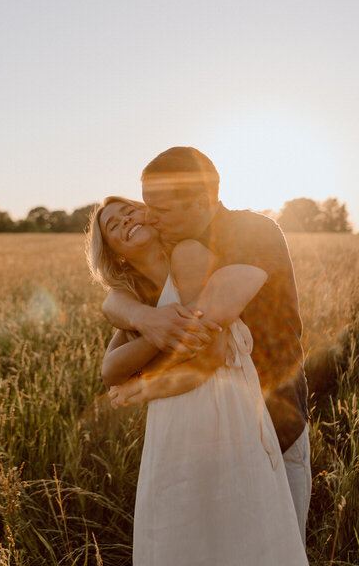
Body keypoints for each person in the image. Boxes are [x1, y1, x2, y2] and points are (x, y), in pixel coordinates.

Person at [101, 147, 311, 543]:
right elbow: (116, 300)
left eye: (159, 208)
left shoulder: (252, 231)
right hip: (202, 438)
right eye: (146, 205)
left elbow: (208, 322)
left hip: (274, 424)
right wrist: (142, 316)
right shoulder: (174, 244)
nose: (149, 216)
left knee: (275, 543)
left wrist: (145, 366)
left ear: (203, 201)